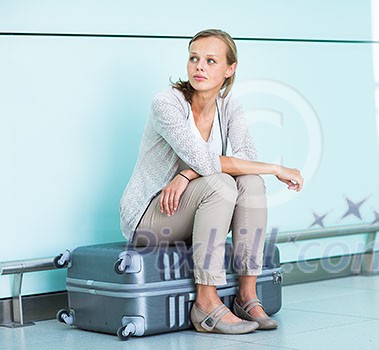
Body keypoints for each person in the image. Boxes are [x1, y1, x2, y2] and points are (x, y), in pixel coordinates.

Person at [119, 29, 303, 334]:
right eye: (194, 58)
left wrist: (185, 174)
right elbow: (206, 161)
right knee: (222, 183)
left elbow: (244, 159)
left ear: (230, 69)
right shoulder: (167, 103)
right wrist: (276, 168)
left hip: (193, 208)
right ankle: (205, 304)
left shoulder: (229, 106)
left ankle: (247, 295)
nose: (199, 67)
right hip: (149, 217)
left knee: (251, 184)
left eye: (210, 60)